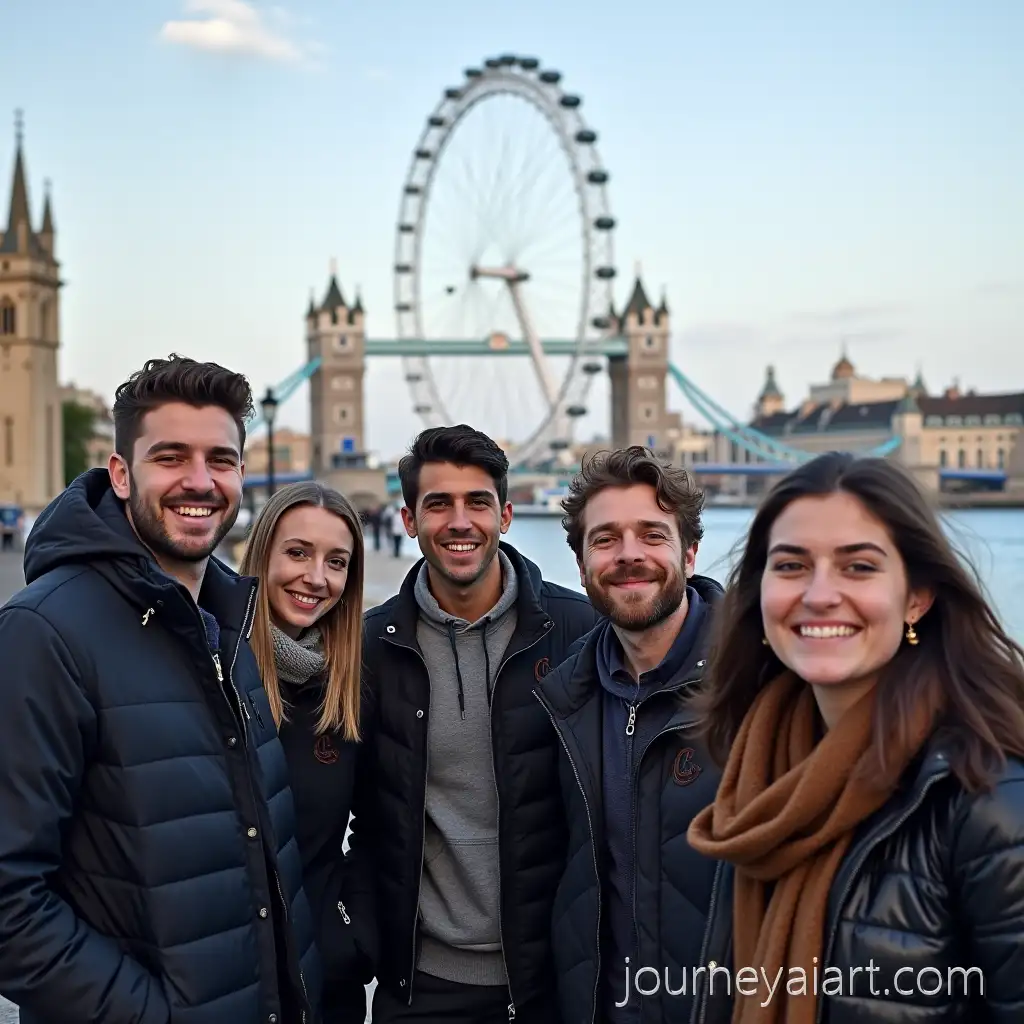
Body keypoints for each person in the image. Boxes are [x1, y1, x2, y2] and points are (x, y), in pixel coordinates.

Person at [0, 355, 319, 1024]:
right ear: (121, 474)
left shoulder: (231, 622)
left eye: (221, 460)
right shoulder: (42, 632)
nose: (200, 482)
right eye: (171, 457)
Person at [687, 451, 1024, 1024]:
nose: (819, 595)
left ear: (916, 597)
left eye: (859, 567)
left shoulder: (987, 798)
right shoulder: (756, 775)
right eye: (791, 566)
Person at [355, 424, 600, 1023]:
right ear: (409, 520)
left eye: (478, 503)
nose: (459, 521)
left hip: (550, 983)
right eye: (438, 504)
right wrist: (350, 935)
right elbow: (349, 810)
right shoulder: (371, 646)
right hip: (420, 985)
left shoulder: (580, 632)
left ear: (507, 515)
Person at [535, 446, 725, 1024]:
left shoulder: (763, 684)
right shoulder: (561, 696)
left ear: (689, 554)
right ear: (581, 563)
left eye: (652, 535)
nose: (629, 555)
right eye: (605, 539)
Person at [240, 481, 375, 1023]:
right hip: (223, 984)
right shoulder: (212, 669)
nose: (316, 578)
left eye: (337, 562)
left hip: (322, 984)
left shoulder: (353, 687)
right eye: (298, 553)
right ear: (261, 554)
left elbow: (382, 824)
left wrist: (349, 935)